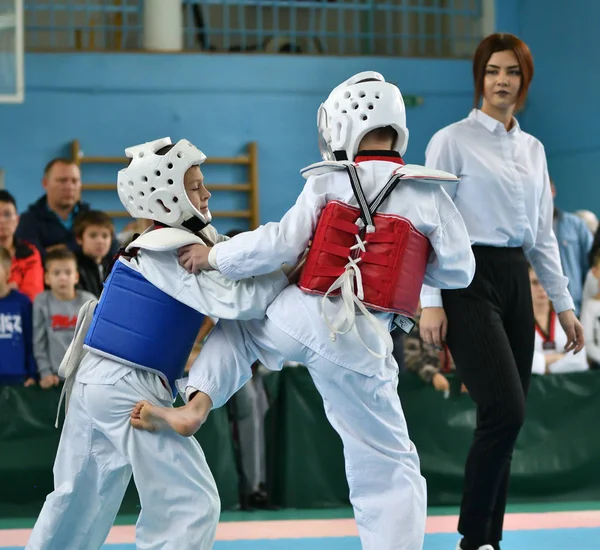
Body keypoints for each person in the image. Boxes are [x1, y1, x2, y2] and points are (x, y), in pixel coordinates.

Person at [132, 71, 476, 550]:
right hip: (360, 344)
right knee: (386, 460)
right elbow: (461, 271)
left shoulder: (330, 181)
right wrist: (410, 267)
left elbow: (279, 243)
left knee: (242, 331)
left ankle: (196, 404)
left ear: (341, 124)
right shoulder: (427, 192)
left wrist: (214, 256)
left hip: (298, 316)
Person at [25, 137, 290, 550]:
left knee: (77, 501)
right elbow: (243, 300)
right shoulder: (172, 248)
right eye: (196, 185)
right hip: (126, 387)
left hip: (97, 382)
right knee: (190, 505)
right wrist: (291, 267)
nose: (208, 194)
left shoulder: (161, 243)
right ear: (167, 195)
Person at [419, 33, 585, 550]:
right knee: (506, 411)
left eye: (512, 72)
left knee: (504, 421)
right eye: (493, 71)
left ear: (524, 80)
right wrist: (429, 302)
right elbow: (428, 225)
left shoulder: (533, 150)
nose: (502, 81)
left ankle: (488, 540)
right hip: (466, 278)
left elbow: (543, 237)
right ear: (479, 78)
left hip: (517, 276)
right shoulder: (450, 141)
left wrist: (565, 304)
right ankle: (473, 538)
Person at [33, 247, 96, 390]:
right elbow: (39, 341)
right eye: (56, 273)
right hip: (54, 378)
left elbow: (96, 342)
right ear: (47, 278)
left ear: (76, 277)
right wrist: (45, 373)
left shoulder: (89, 301)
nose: (63, 277)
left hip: (85, 377)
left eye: (68, 272)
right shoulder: (42, 301)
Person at [529, 265, 588, 375]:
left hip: (566, 387)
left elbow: (580, 361)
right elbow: (516, 360)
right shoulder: (516, 322)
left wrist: (546, 368)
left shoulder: (567, 318)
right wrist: (558, 357)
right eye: (535, 283)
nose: (541, 288)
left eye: (545, 282)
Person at [0, 246, 36, 386]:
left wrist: (32, 372)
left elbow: (31, 340)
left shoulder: (22, 302)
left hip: (18, 378)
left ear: (8, 272)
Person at [0, 190, 44, 301]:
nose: (1, 220)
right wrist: (10, 291)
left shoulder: (30, 254)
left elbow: (32, 297)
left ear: (17, 220)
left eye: (7, 214)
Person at [72, 210, 115, 297]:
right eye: (93, 235)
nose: (100, 241)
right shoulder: (73, 267)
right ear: (79, 239)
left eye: (105, 236)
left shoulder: (114, 265)